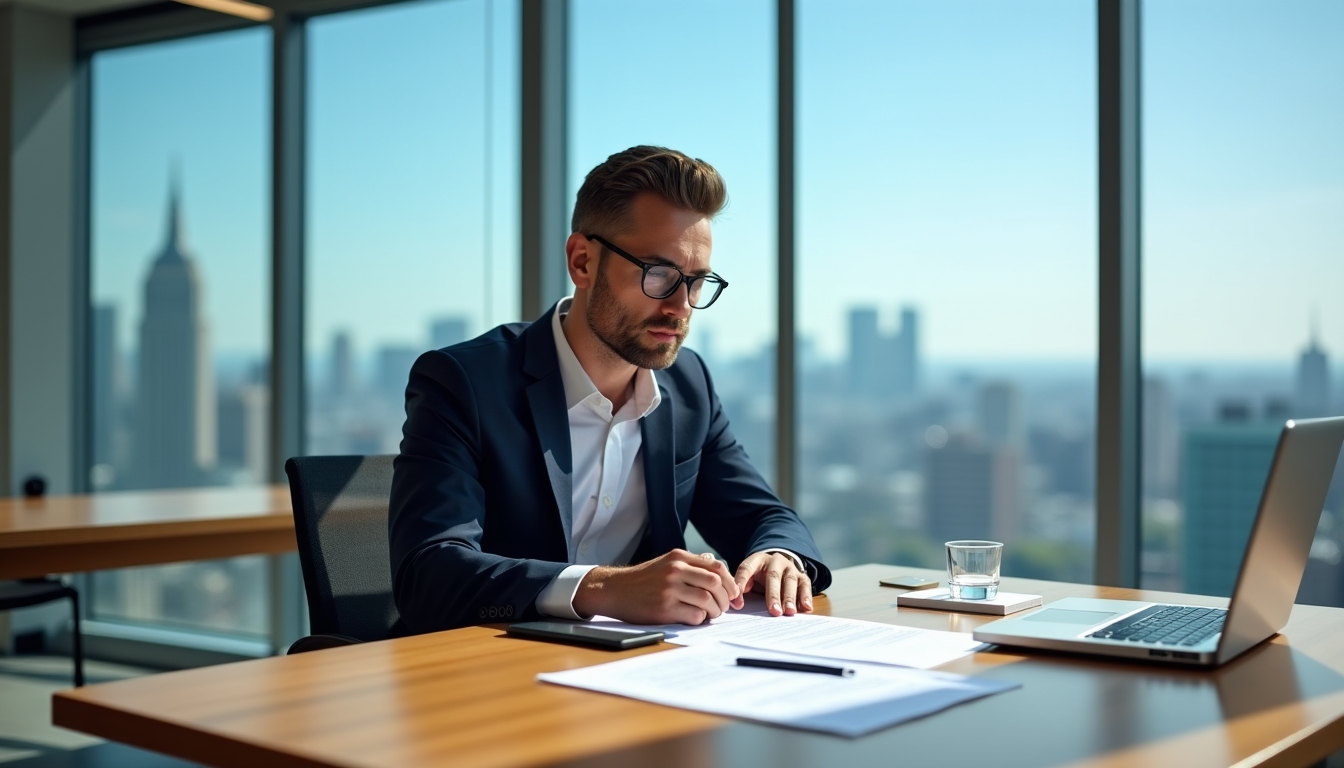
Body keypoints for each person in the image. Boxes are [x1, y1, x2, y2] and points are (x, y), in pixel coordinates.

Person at [388, 145, 830, 633]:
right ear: (582, 262)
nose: (682, 306)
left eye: (697, 281)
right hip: (481, 673)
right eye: (659, 274)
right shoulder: (464, 382)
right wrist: (604, 589)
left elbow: (764, 515)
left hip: (636, 676)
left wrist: (778, 555)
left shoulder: (689, 384)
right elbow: (428, 575)